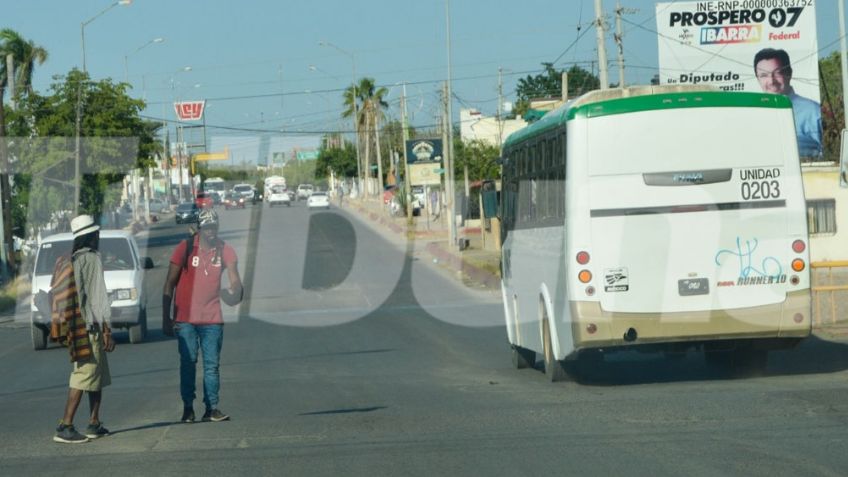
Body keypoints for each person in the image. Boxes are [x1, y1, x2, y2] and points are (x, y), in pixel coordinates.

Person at [162, 209, 242, 423]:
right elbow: (169, 284)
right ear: (199, 229)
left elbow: (235, 280)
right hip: (185, 319)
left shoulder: (225, 250)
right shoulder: (185, 248)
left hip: (212, 319)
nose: (211, 232)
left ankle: (212, 407)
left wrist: (234, 290)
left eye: (214, 228)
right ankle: (188, 408)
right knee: (188, 363)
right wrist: (166, 317)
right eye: (207, 228)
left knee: (211, 365)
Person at [53, 215, 115, 444]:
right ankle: (65, 425)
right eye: (96, 234)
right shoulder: (91, 259)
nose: (99, 237)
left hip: (76, 327)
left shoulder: (70, 258)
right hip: (89, 327)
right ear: (91, 236)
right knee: (84, 375)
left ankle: (94, 422)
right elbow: (98, 298)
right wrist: (107, 330)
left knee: (97, 376)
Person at [753, 48, 823, 158]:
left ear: (789, 74)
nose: (771, 81)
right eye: (764, 75)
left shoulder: (813, 111)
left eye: (777, 73)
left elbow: (829, 154)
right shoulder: (752, 113)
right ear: (757, 79)